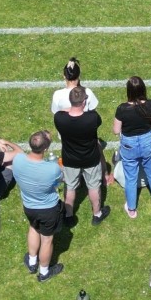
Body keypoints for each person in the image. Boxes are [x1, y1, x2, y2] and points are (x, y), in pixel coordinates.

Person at [0, 131, 64, 281]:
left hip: (29, 207)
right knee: (47, 240)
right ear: (46, 149)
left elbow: (18, 151)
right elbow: (59, 182)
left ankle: (32, 261)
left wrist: (7, 142)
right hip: (48, 209)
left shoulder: (19, 160)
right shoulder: (52, 169)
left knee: (34, 228)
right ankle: (44, 272)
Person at [53, 85, 106, 226]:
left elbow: (62, 112)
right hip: (91, 158)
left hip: (70, 159)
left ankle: (69, 215)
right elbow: (96, 119)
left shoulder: (59, 118)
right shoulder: (92, 118)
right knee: (94, 187)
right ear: (83, 102)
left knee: (70, 187)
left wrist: (69, 109)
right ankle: (97, 214)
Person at [113, 76, 151, 218]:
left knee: (131, 178)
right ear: (143, 89)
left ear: (128, 91)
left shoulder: (122, 109)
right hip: (147, 141)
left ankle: (131, 209)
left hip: (129, 144)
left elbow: (116, 131)